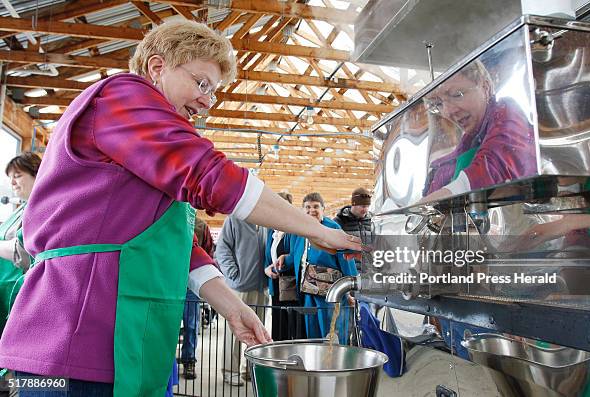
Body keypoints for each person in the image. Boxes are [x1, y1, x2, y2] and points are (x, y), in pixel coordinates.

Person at [0, 20, 361, 396]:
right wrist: (318, 230)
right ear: (157, 68)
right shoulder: (121, 96)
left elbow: (173, 246)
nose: (206, 100)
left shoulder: (139, 157)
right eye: (201, 83)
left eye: (213, 92)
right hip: (73, 342)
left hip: (113, 345)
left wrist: (233, 307)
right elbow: (211, 176)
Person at [421, 60, 537, 202]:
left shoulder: (508, 113)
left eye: (457, 95)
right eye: (438, 104)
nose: (448, 111)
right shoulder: (469, 141)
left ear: (486, 87)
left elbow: (496, 165)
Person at [279, 193, 357, 345]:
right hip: (308, 292)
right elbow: (297, 255)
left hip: (331, 294)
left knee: (332, 335)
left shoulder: (333, 229)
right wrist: (283, 260)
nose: (311, 210)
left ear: (323, 209)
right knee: (312, 334)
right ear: (303, 210)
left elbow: (347, 259)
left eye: (316, 206)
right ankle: (317, 365)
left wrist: (351, 290)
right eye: (307, 207)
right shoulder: (299, 230)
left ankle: (333, 366)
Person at [216, 215, 267, 386]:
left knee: (257, 331)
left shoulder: (265, 220)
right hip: (240, 287)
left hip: (261, 287)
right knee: (235, 331)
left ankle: (249, 369)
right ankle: (231, 371)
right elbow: (222, 249)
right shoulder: (234, 219)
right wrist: (234, 274)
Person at [0, 152, 41, 329]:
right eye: (10, 178)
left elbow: (23, 251)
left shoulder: (39, 208)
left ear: (37, 174)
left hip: (16, 289)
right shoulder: (22, 208)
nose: (12, 182)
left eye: (17, 176)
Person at [264, 193, 307, 341]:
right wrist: (267, 269)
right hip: (275, 285)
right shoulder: (271, 230)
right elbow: (267, 256)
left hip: (290, 286)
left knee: (291, 327)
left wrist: (279, 266)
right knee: (278, 325)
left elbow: (296, 256)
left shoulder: (294, 228)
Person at [179, 218, 213, 380]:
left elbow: (207, 253)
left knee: (191, 325)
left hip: (191, 286)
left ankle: (189, 361)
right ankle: (166, 363)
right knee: (166, 325)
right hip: (168, 284)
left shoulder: (201, 226)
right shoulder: (168, 216)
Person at [333, 187, 373, 271]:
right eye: (362, 206)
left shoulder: (372, 221)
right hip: (349, 271)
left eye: (367, 206)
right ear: (354, 204)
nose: (365, 209)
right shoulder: (339, 221)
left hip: (369, 271)